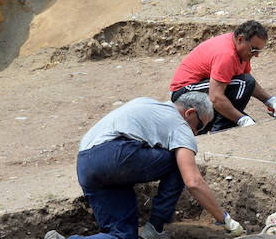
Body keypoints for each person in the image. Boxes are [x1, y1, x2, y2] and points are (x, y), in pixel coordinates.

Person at [43, 91, 245, 239]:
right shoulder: (180, 124)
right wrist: (225, 219)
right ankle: (156, 228)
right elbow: (192, 181)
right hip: (114, 155)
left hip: (85, 163)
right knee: (179, 162)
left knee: (122, 235)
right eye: (199, 128)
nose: (195, 134)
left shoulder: (146, 103)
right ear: (190, 113)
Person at [169, 20, 276, 132]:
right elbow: (216, 97)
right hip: (183, 93)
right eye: (254, 50)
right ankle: (219, 130)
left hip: (198, 90)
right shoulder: (227, 55)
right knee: (243, 84)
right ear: (240, 40)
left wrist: (269, 101)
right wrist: (242, 119)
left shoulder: (242, 51)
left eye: (259, 51)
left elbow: (246, 77)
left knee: (245, 86)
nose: (256, 55)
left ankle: (222, 125)